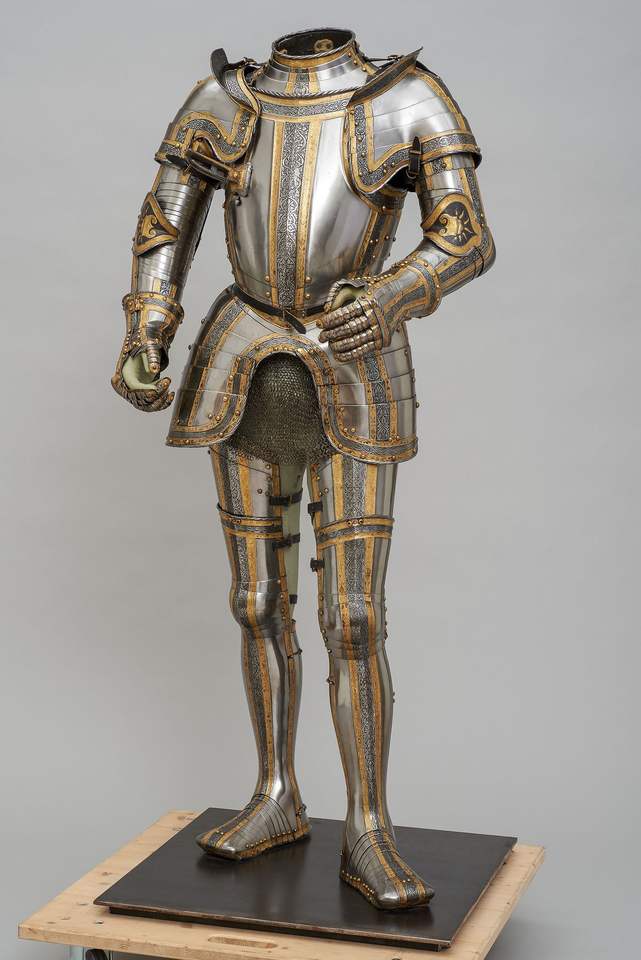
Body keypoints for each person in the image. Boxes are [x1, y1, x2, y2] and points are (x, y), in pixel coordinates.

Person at [112, 27, 495, 909]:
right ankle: (275, 795)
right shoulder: (225, 99)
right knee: (255, 602)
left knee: (352, 616)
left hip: (354, 357)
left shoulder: (403, 97)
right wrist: (148, 326)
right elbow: (166, 219)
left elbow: (464, 235)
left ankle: (368, 827)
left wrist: (395, 293)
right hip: (241, 350)